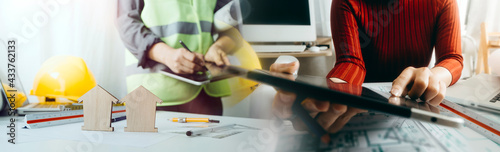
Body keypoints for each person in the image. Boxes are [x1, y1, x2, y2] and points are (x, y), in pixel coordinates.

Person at [273, 0, 463, 133]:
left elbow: (452, 58)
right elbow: (351, 61)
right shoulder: (346, 1)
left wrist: (434, 76)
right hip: (362, 109)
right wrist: (333, 91)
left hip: (415, 105)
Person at [116, 0, 241, 115]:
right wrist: (167, 55)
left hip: (207, 91)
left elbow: (233, 25)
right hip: (156, 92)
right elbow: (127, 24)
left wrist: (219, 47)